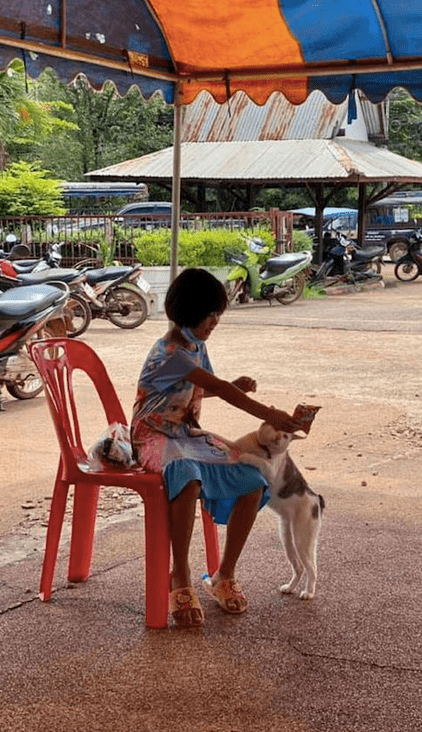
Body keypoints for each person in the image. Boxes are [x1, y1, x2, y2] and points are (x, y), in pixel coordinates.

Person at [131, 267, 301, 628]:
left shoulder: (196, 346)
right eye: (211, 316)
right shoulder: (170, 352)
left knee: (253, 476)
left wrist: (230, 384)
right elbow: (217, 388)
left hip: (185, 434)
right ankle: (180, 574)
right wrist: (267, 411)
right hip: (153, 435)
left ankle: (225, 573)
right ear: (192, 314)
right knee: (187, 474)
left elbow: (200, 386)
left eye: (217, 315)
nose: (215, 322)